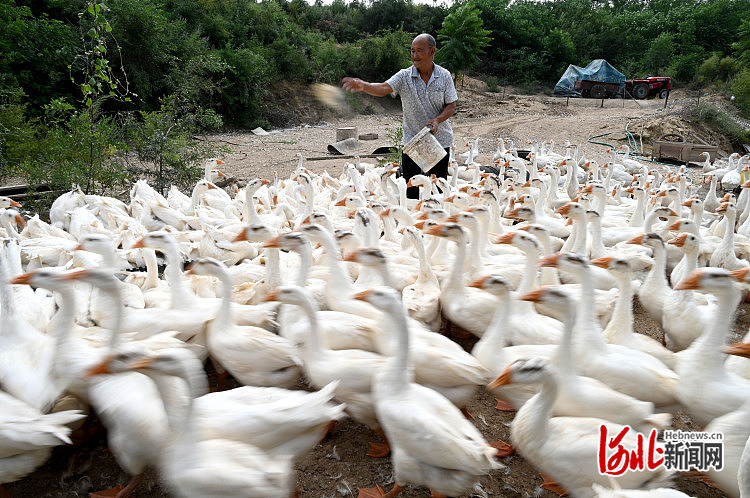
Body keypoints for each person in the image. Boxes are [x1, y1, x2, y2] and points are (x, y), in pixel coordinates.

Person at [342, 33, 457, 199]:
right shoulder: (404, 76)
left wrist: (438, 120)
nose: (415, 55)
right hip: (413, 142)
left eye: (419, 51)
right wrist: (364, 86)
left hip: (439, 141)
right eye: (412, 51)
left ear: (432, 51)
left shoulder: (444, 76)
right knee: (411, 190)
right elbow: (383, 88)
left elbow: (451, 106)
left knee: (437, 190)